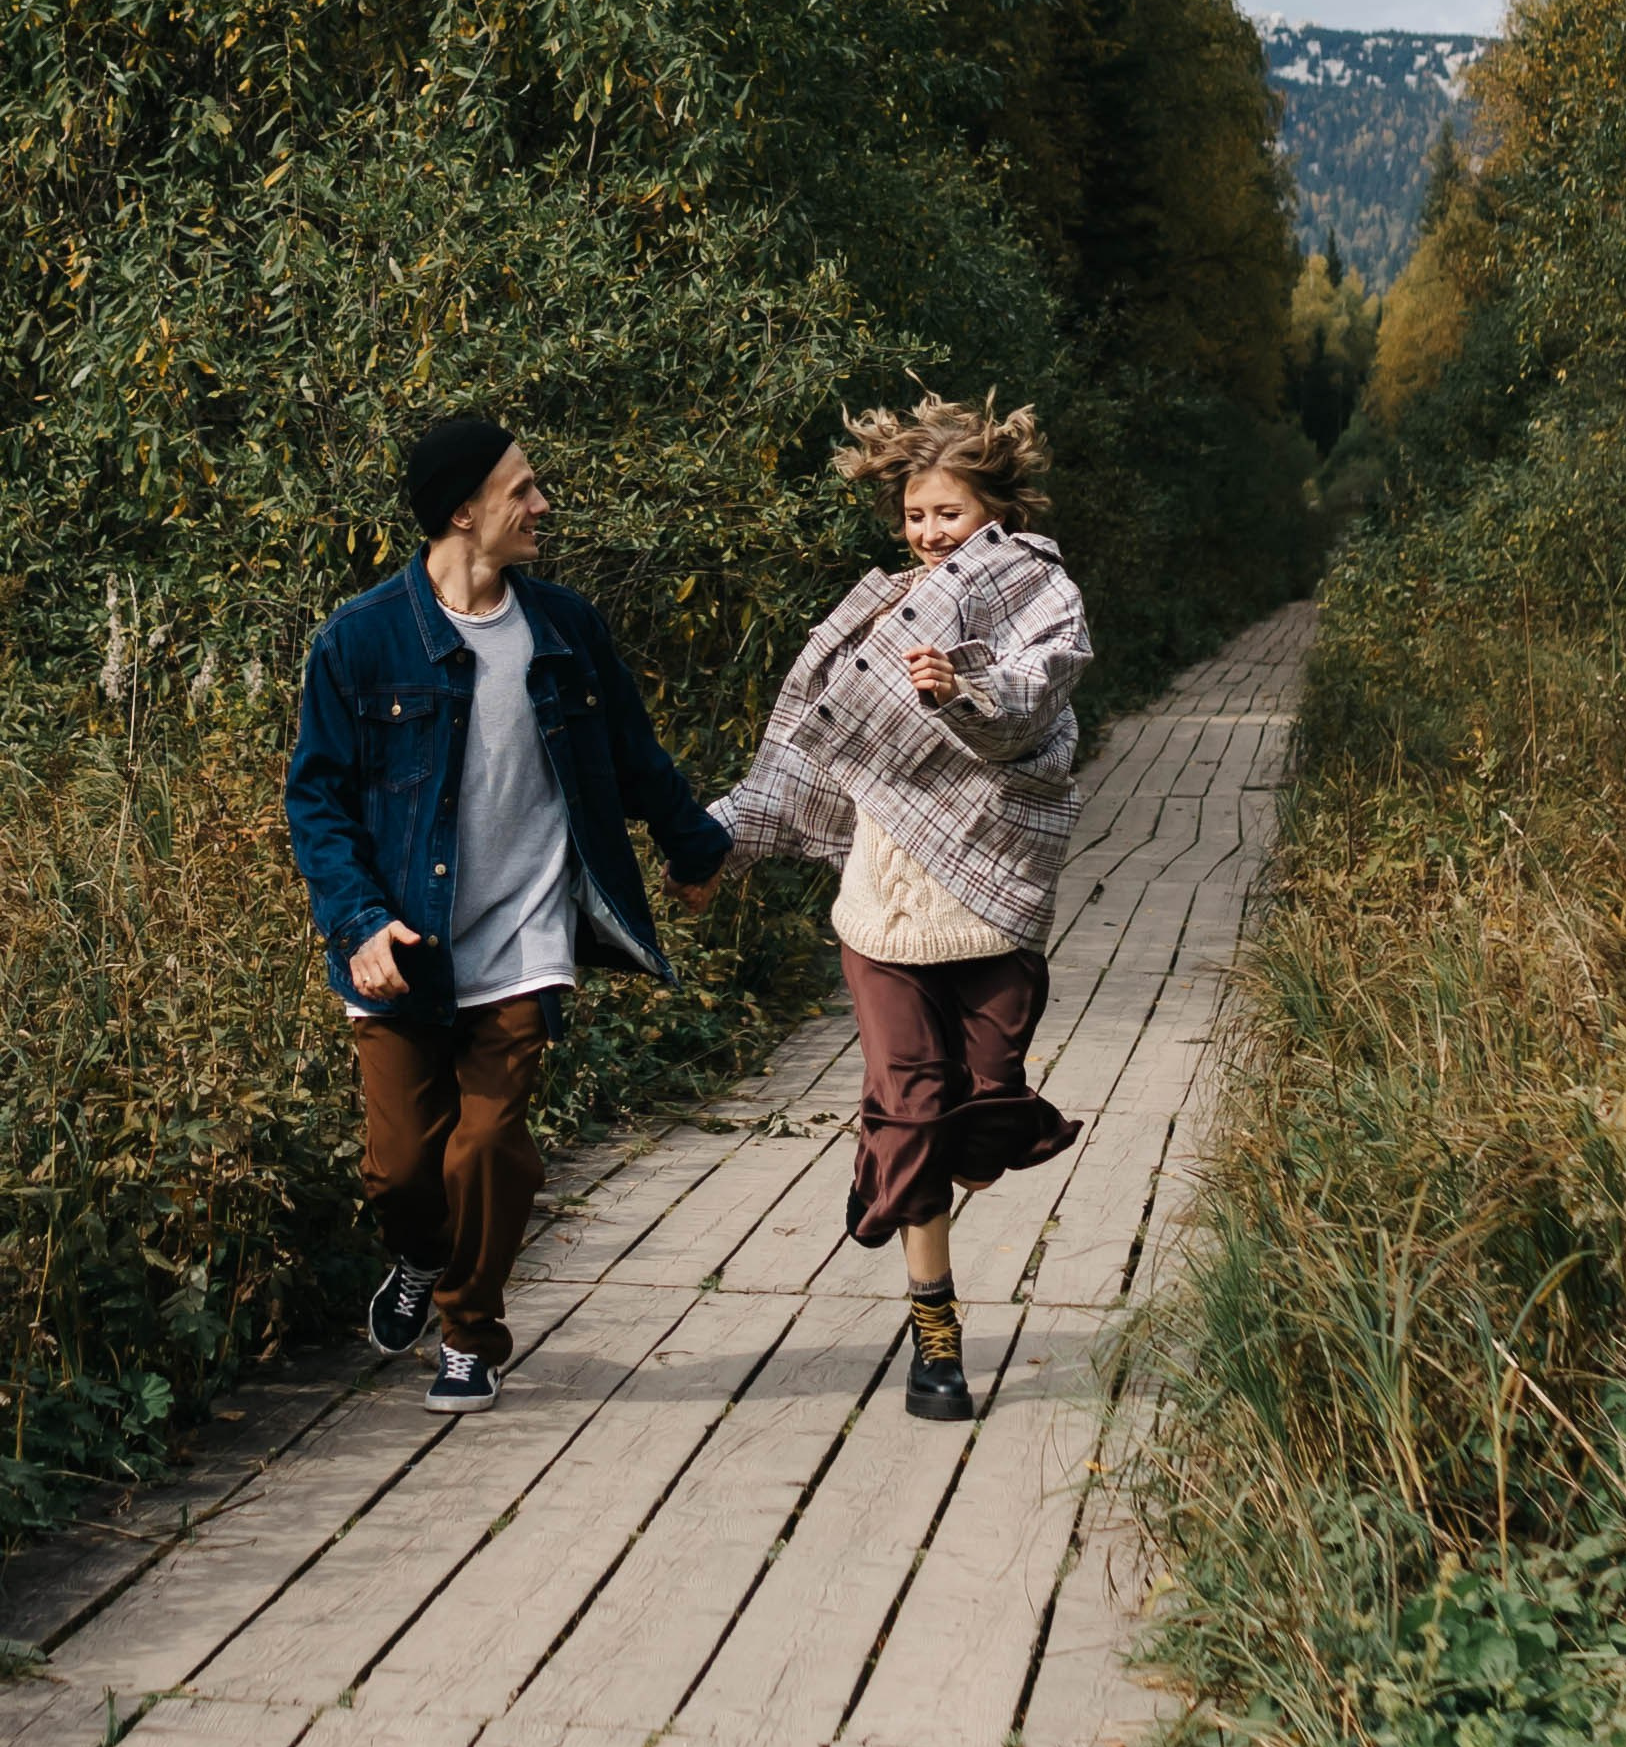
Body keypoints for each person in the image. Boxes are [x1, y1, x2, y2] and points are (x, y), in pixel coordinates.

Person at [286, 415, 729, 1415]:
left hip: (527, 934)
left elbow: (629, 752)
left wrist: (692, 845)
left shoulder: (565, 626)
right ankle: (419, 1252)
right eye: (521, 489)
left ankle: (470, 1335)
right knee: (401, 1172)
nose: (542, 506)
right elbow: (315, 798)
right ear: (462, 509)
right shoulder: (359, 641)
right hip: (404, 942)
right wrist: (358, 924)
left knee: (487, 1144)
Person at [710, 395, 1091, 1422]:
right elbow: (813, 745)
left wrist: (961, 689)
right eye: (917, 514)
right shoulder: (875, 614)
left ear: (994, 514)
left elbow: (1033, 698)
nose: (929, 533)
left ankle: (893, 1151)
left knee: (986, 1107)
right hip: (883, 905)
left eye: (950, 515)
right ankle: (937, 1339)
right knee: (919, 1107)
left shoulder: (1039, 592)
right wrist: (720, 841)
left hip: (993, 896)